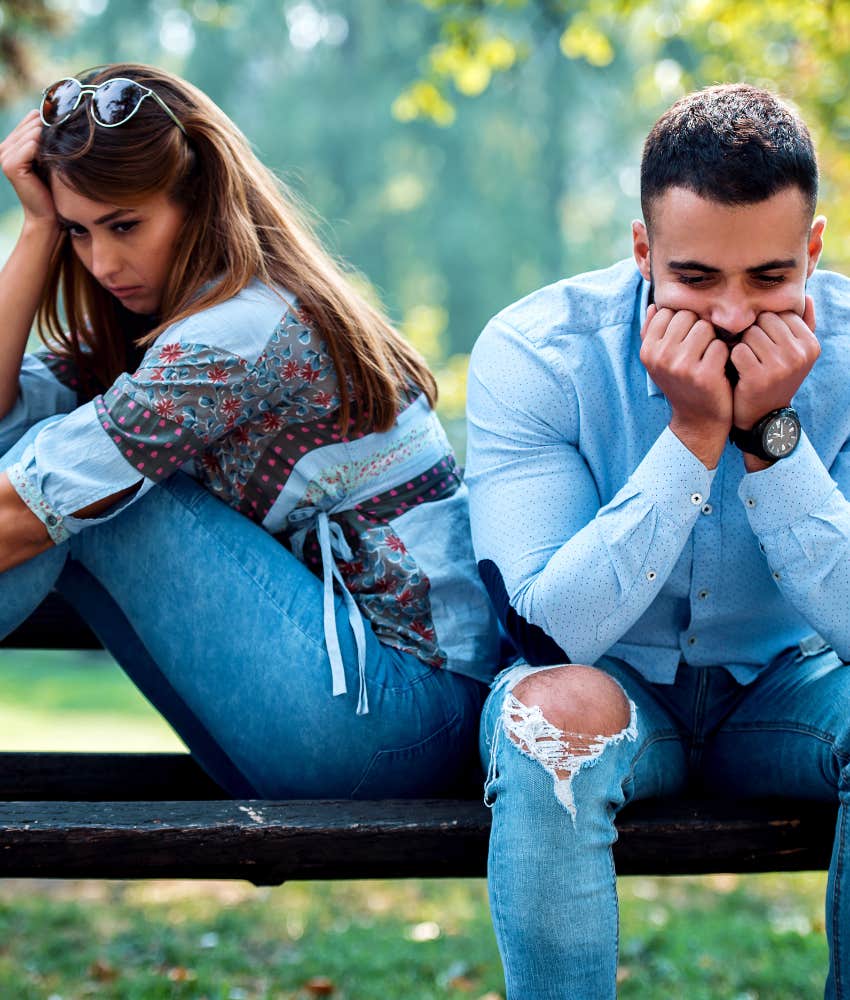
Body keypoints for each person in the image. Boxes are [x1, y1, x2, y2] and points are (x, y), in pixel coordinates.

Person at [0, 63, 500, 800]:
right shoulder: (173, 332)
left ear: (198, 200)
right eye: (80, 231)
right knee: (65, 468)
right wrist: (39, 226)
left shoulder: (238, 333)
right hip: (339, 715)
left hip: (406, 717)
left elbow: (22, 509)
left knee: (78, 492)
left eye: (125, 225)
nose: (102, 263)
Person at [466, 82, 850, 998]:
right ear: (643, 251)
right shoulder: (535, 352)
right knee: (545, 716)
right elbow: (547, 638)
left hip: (787, 689)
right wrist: (689, 439)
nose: (729, 317)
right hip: (618, 690)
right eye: (694, 278)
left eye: (768, 279)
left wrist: (769, 438)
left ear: (814, 249)